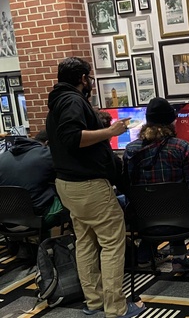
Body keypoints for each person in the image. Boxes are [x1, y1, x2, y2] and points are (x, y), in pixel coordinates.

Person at [46, 57, 145, 318]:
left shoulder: (57, 102)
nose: (91, 82)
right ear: (82, 78)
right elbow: (73, 138)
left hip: (68, 186)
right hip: (88, 186)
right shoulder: (72, 100)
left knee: (86, 242)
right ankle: (116, 308)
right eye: (89, 77)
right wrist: (111, 132)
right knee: (113, 243)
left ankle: (94, 301)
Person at [123, 97, 189, 272]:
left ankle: (167, 257)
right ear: (171, 121)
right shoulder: (181, 147)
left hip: (145, 219)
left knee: (167, 198)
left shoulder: (130, 150)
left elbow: (128, 185)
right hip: (182, 217)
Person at [0, 130, 64, 233]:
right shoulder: (47, 154)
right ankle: (54, 246)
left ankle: (20, 244)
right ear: (47, 143)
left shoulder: (2, 157)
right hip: (35, 219)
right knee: (71, 204)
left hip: (5, 221)